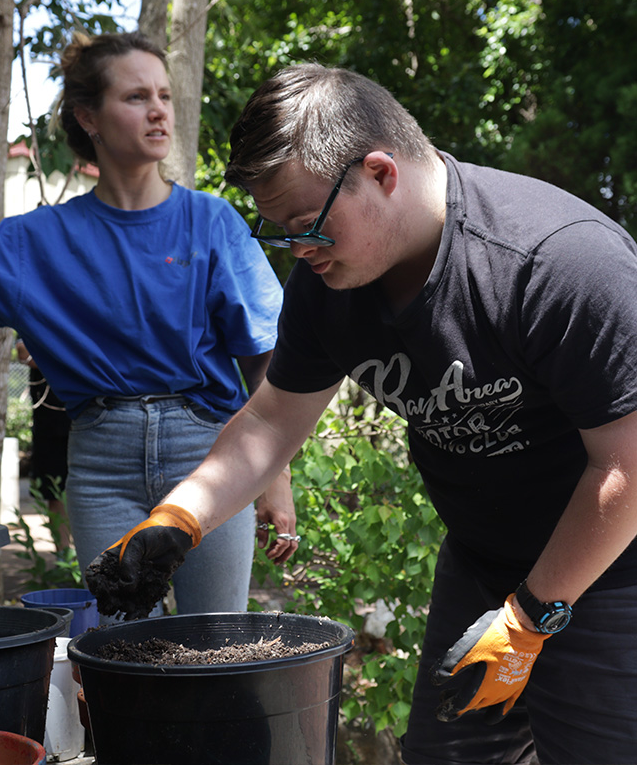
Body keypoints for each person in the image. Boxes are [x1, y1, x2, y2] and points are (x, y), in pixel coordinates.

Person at [84, 63, 637, 764]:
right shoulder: (334, 281)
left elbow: (628, 465)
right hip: (480, 563)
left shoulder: (558, 263)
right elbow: (270, 420)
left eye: (307, 225)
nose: (299, 250)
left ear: (379, 172)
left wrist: (530, 619)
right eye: (280, 232)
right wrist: (179, 517)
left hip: (612, 568)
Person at [0, 31, 297, 623]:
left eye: (164, 95)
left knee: (217, 642)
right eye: (137, 96)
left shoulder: (211, 222)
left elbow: (267, 356)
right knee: (118, 648)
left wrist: (274, 476)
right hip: (103, 462)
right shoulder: (36, 242)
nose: (159, 109)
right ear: (88, 117)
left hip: (210, 453)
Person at [15, 336, 72, 551]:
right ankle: (64, 556)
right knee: (53, 489)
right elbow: (24, 352)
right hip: (51, 423)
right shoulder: (36, 306)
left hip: (90, 418)